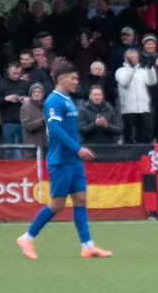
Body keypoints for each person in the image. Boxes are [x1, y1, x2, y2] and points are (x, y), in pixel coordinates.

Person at [17, 59, 112, 259]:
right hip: (60, 160)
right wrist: (78, 148)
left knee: (81, 199)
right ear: (61, 78)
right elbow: (54, 129)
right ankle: (26, 237)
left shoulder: (68, 100)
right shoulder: (54, 100)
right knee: (57, 204)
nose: (76, 82)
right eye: (73, 78)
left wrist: (77, 150)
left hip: (73, 160)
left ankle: (87, 246)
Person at [114, 47, 158, 145]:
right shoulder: (120, 71)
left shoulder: (142, 71)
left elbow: (152, 82)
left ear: (138, 58)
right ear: (125, 58)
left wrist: (150, 69)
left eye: (134, 57)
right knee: (129, 136)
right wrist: (131, 69)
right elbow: (125, 82)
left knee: (143, 136)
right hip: (128, 108)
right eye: (130, 57)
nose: (132, 59)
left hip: (143, 107)